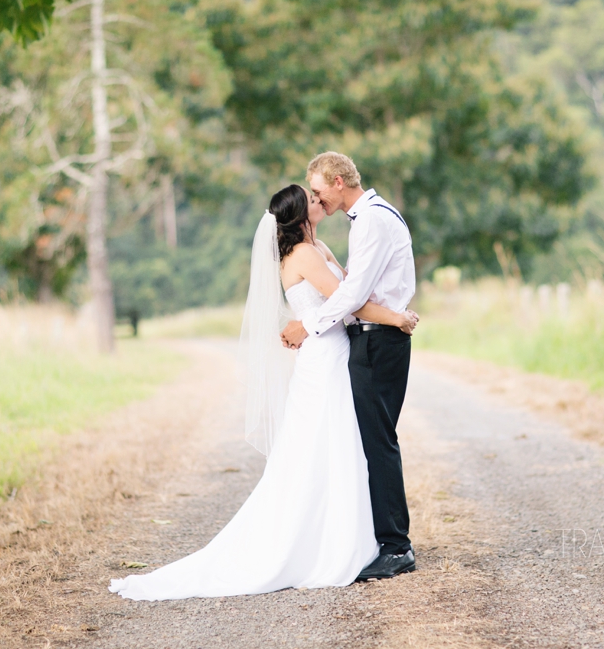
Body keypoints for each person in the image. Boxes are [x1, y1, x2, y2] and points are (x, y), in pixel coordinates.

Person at [109, 183, 417, 600]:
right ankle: (327, 541)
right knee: (324, 445)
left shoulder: (317, 247)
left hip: (330, 351)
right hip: (324, 357)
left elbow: (351, 290)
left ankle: (351, 534)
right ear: (300, 214)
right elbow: (350, 301)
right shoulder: (304, 255)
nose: (318, 198)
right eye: (311, 197)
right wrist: (397, 318)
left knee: (336, 445)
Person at [281, 151, 417, 581]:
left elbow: (353, 292)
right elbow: (351, 291)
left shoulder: (373, 219)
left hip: (378, 342)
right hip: (370, 338)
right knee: (370, 443)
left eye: (319, 191)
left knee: (378, 443)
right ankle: (380, 540)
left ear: (338, 181)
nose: (317, 200)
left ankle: (396, 548)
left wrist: (308, 324)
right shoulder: (365, 220)